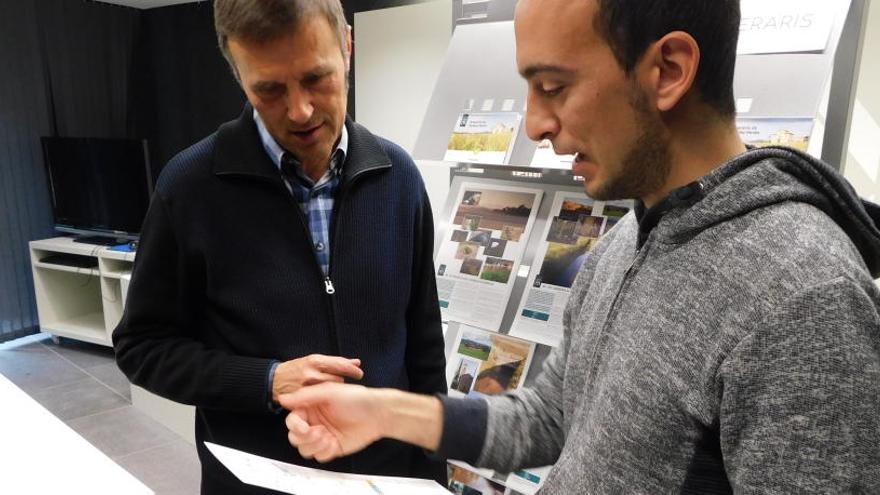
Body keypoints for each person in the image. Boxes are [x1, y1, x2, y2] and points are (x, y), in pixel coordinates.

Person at [279, 0, 880, 492]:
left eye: (552, 86)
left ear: (668, 70)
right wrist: (383, 413)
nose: (534, 122)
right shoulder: (629, 238)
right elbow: (550, 417)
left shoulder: (804, 296)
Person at [112, 0, 447, 492]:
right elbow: (142, 348)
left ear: (347, 46)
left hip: (391, 480)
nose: (301, 111)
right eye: (269, 90)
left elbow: (424, 346)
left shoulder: (398, 177)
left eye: (317, 78)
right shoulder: (188, 187)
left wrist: (433, 469)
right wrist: (266, 381)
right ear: (236, 70)